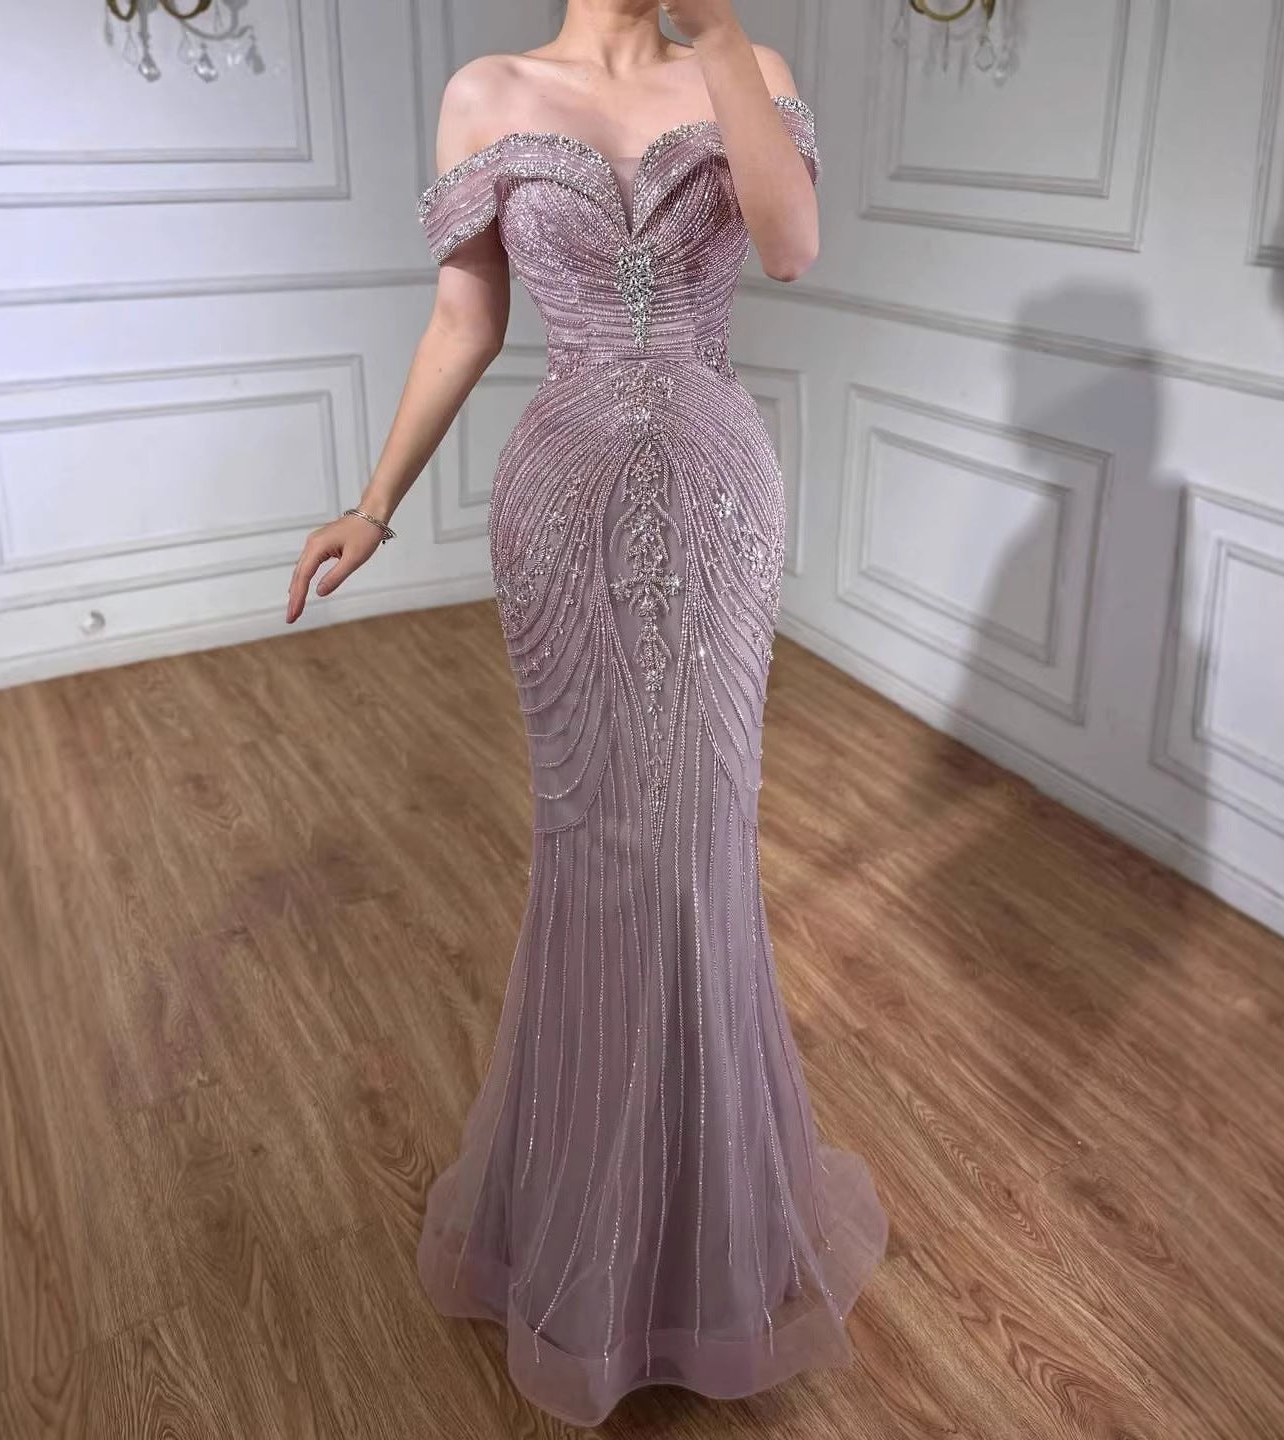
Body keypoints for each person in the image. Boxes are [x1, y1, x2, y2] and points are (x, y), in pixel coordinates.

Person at [286, 0, 888, 1426]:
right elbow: (466, 318)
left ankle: (707, 1235)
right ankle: (577, 1223)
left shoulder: (747, 66)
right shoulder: (487, 90)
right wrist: (374, 505)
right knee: (596, 847)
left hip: (718, 488)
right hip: (560, 498)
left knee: (702, 843)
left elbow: (792, 248)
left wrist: (723, 44)